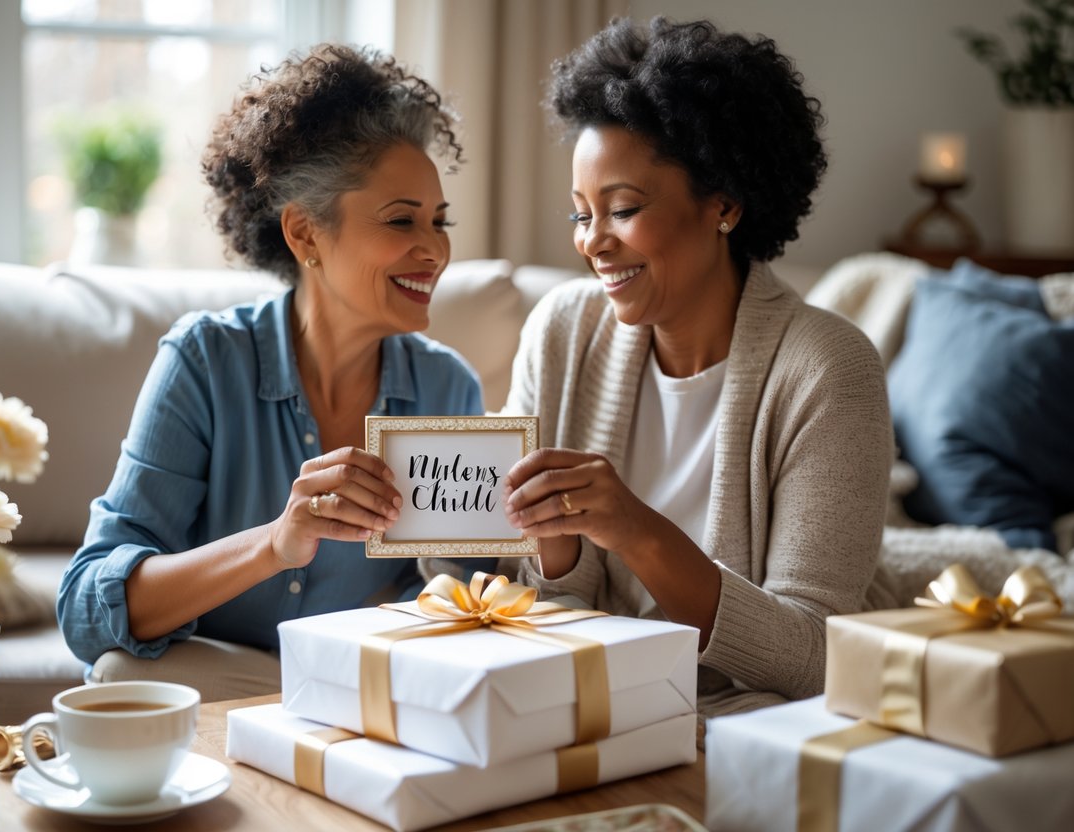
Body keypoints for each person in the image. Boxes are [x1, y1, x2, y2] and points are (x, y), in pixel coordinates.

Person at [58, 44, 486, 700]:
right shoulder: (204, 361)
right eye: (401, 220)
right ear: (305, 234)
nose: (433, 250)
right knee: (121, 672)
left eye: (438, 221)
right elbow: (88, 609)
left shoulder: (447, 389)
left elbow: (470, 606)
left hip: (370, 686)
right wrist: (276, 543)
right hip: (227, 676)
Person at [502, 17, 896, 718]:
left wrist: (637, 531)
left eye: (622, 209)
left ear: (723, 204)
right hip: (578, 704)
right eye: (578, 214)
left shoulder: (828, 368)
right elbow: (540, 604)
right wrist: (552, 548)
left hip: (743, 721)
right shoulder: (561, 331)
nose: (593, 242)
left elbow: (816, 655)